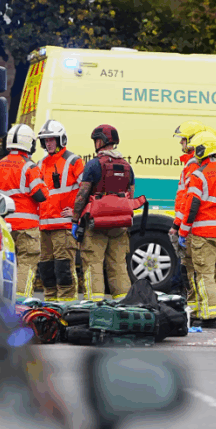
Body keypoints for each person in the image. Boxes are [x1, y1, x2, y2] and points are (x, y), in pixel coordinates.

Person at [177, 130, 216, 328]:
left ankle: (211, 316)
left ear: (202, 150)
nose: (194, 153)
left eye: (196, 150)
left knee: (205, 275)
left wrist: (183, 231)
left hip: (204, 234)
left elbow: (192, 205)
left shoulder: (198, 175)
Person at [71, 124, 134, 301]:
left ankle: (95, 304)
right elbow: (130, 196)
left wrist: (75, 220)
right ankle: (123, 303)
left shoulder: (93, 165)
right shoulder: (127, 167)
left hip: (95, 223)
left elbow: (82, 195)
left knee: (93, 264)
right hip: (120, 225)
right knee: (119, 265)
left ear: (100, 141)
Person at [0, 124, 49, 300]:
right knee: (27, 265)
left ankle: (4, 301)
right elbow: (40, 195)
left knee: (6, 265)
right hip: (27, 228)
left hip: (4, 226)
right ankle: (21, 301)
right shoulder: (29, 167)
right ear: (28, 143)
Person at [36, 120, 84, 302]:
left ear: (60, 140)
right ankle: (50, 308)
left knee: (64, 272)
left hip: (63, 227)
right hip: (44, 228)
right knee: (47, 273)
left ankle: (66, 309)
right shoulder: (40, 164)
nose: (48, 143)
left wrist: (75, 212)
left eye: (52, 139)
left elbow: (87, 189)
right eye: (45, 140)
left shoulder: (73, 161)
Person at [169, 120, 208, 320]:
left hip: (189, 225)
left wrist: (178, 225)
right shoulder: (194, 163)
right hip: (189, 223)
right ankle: (192, 306)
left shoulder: (193, 165)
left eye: (183, 140)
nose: (181, 143)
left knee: (189, 268)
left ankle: (192, 307)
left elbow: (189, 199)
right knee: (189, 268)